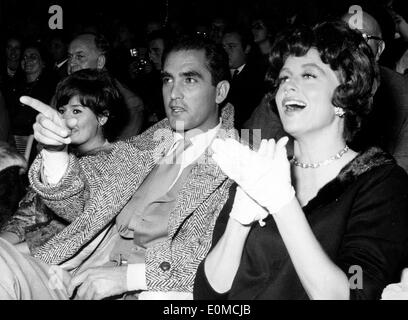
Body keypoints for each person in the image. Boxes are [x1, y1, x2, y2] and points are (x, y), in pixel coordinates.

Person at [0, 35, 237, 300]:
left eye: (189, 79)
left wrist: (130, 277)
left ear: (220, 91)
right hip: (74, 276)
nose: (174, 93)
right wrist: (56, 152)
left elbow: (219, 263)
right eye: (167, 79)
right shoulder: (146, 145)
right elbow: (77, 205)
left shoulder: (239, 164)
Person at [194, 21, 408, 300]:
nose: (288, 87)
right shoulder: (265, 168)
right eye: (284, 78)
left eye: (309, 76)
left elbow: (356, 291)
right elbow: (208, 297)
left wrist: (283, 203)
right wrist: (238, 222)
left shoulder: (381, 184)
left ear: (345, 94)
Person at [245, 7, 408, 185]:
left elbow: (401, 178)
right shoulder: (293, 84)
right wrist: (296, 161)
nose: (346, 44)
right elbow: (251, 135)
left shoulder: (406, 94)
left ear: (379, 50)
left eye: (362, 38)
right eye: (338, 35)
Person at [0, 69, 123, 251]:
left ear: (102, 117)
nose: (66, 119)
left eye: (76, 111)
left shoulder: (118, 163)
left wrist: (11, 253)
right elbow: (29, 214)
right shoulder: (58, 158)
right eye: (62, 111)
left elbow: (77, 232)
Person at [67, 32, 145, 138]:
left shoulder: (125, 102)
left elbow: (119, 151)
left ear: (100, 62)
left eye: (80, 57)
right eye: (70, 57)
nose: (71, 63)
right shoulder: (65, 91)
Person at [222, 26, 266, 130]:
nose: (226, 52)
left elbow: (256, 122)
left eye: (231, 46)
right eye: (223, 47)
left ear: (246, 48)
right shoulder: (218, 74)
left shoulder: (259, 78)